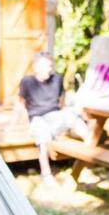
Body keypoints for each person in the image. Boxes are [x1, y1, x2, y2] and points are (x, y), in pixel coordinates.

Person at [7, 52, 90, 184]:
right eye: (45, 66)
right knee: (42, 137)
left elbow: (61, 103)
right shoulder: (27, 82)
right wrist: (11, 126)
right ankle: (46, 173)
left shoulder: (57, 79)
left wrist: (66, 120)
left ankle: (90, 157)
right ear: (35, 67)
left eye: (50, 66)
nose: (48, 69)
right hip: (38, 118)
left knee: (74, 118)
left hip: (55, 115)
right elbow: (20, 104)